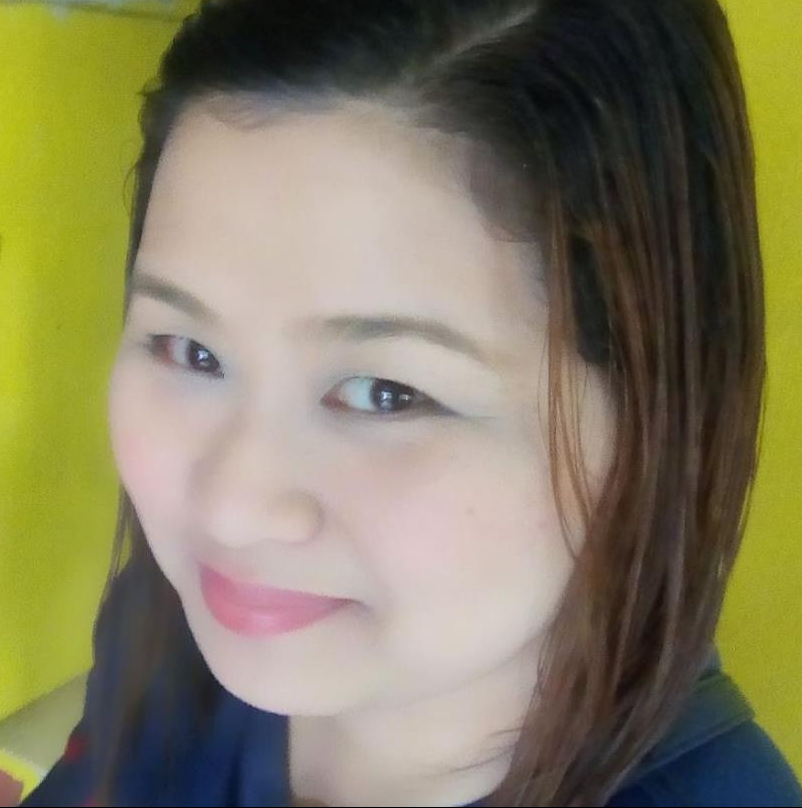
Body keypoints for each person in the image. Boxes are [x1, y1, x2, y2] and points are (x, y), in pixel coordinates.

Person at [21, 0, 802, 805]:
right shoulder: (189, 626)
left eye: (385, 394)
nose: (231, 510)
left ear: (654, 412)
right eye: (191, 351)